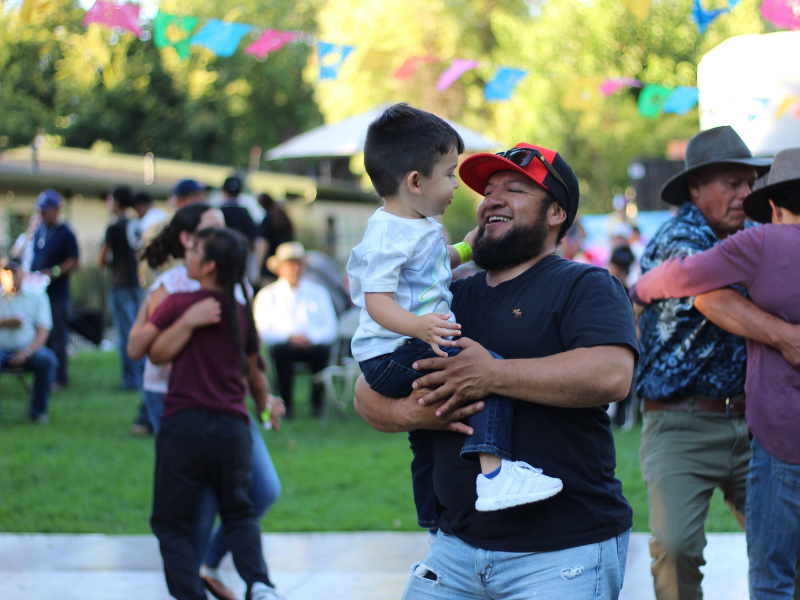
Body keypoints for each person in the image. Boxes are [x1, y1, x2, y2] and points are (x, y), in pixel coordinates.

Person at [355, 142, 637, 599]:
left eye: (516, 189)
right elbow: (366, 395)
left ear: (556, 214)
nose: (493, 200)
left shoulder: (585, 284)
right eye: (488, 191)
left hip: (561, 554)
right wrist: (422, 414)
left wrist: (491, 376)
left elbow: (611, 375)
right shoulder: (447, 298)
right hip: (451, 552)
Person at [348, 105, 562, 531]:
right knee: (484, 370)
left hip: (407, 344)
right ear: (414, 182)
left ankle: (432, 514)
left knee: (427, 435)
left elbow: (432, 266)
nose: (455, 186)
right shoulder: (387, 234)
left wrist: (465, 251)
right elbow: (376, 301)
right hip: (393, 350)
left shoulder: (417, 225)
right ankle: (496, 476)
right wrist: (419, 327)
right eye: (449, 174)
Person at [630, 147, 800, 600]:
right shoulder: (679, 235)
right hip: (682, 422)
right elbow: (708, 294)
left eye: (750, 184)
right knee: (676, 548)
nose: (744, 194)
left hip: (756, 423)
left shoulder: (757, 235)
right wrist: (786, 337)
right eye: (731, 183)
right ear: (695, 188)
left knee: (786, 549)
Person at [128, 204, 284, 600]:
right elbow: (140, 348)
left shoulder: (196, 301)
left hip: (189, 422)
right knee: (238, 509)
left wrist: (266, 405)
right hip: (227, 425)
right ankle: (259, 584)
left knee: (174, 521)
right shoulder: (177, 292)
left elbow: (160, 353)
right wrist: (189, 320)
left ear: (211, 264)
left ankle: (197, 587)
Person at [253, 242, 338, 419]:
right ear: (279, 268)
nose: (295, 269)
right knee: (282, 352)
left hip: (311, 344)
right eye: (290, 264)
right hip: (284, 345)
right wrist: (288, 337)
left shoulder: (318, 292)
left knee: (322, 351)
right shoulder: (267, 295)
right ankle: (286, 404)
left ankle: (317, 401)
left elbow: (331, 327)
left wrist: (311, 338)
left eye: (299, 263)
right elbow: (262, 329)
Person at [30, 189, 79, 387]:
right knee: (42, 333)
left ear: (56, 210)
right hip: (39, 292)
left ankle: (60, 377)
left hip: (57, 293)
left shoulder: (66, 233)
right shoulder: (41, 230)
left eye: (45, 211)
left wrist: (54, 272)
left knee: (58, 335)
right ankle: (45, 375)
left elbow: (74, 261)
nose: (42, 215)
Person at [0, 259, 58, 423]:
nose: (11, 278)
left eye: (14, 273)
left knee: (47, 360)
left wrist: (26, 352)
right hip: (1, 350)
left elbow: (43, 331)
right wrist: (4, 322)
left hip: (29, 350)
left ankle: (38, 412)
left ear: (22, 274)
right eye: (6, 274)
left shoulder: (37, 296)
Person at [99, 186, 145, 391]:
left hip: (120, 284)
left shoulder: (114, 227)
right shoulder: (138, 224)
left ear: (116, 202)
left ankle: (131, 380)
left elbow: (101, 258)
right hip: (138, 284)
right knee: (141, 331)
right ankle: (142, 375)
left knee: (126, 334)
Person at [257, 193, 294, 284]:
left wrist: (258, 266)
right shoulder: (283, 217)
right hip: (286, 261)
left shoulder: (268, 219)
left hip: (271, 263)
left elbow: (264, 244)